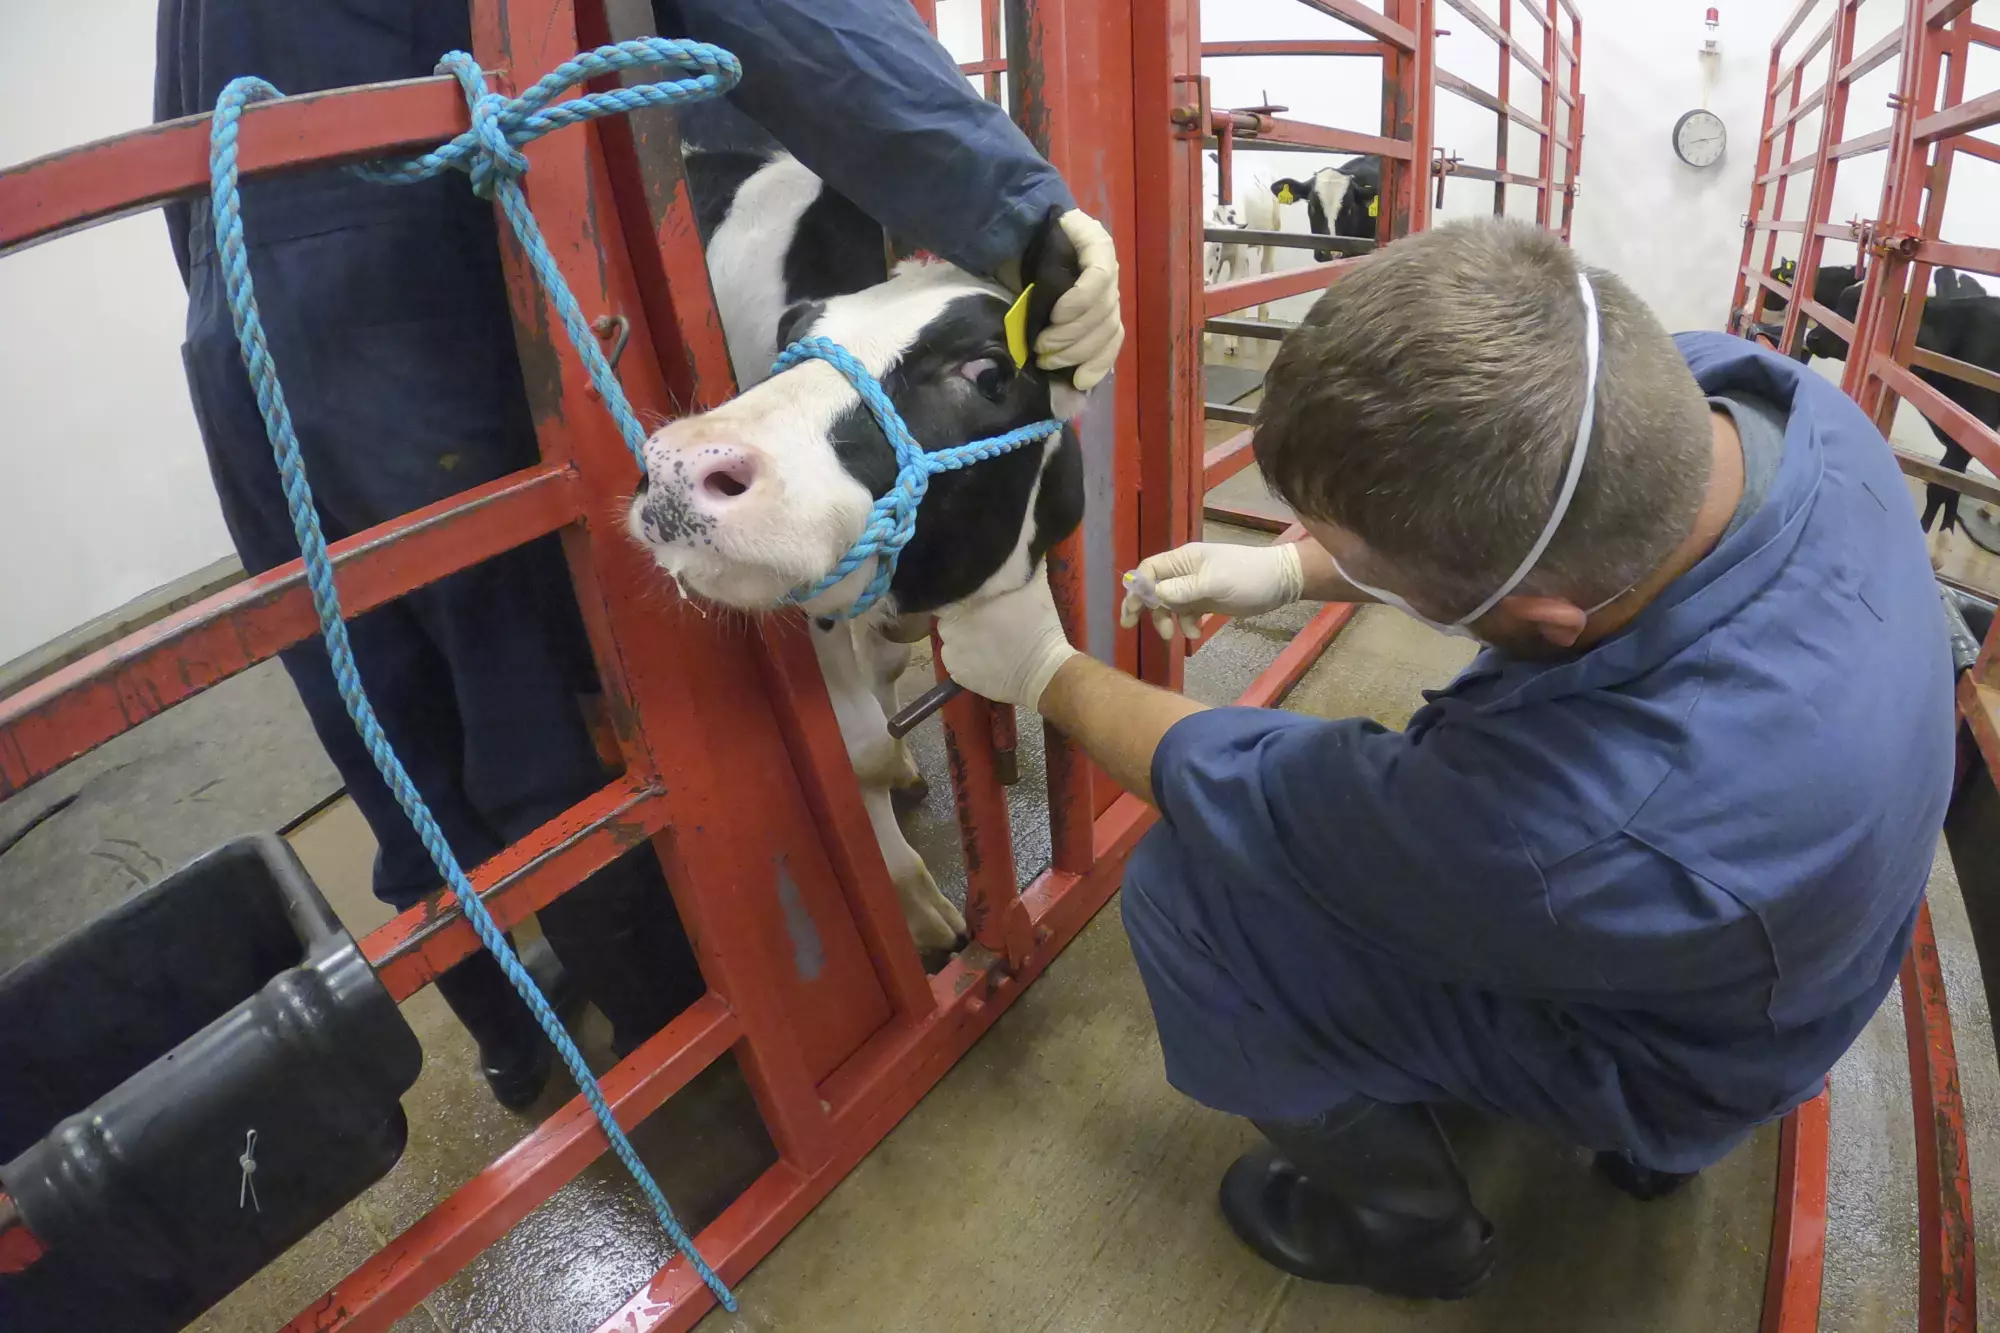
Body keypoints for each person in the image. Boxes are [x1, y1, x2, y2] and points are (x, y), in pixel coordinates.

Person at [935, 217, 1952, 1298]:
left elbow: (1256, 788)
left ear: (1543, 612)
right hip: (1797, 948)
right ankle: (1654, 1152)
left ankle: (1408, 1224)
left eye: (1369, 563)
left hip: (1689, 1042)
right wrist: (1295, 571)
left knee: (1192, 889)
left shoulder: (1590, 821)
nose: (1323, 558)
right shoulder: (1772, 408)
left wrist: (1045, 666)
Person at [155, 0, 1123, 1109]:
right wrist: (1014, 202)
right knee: (532, 706)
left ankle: (511, 1032)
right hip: (426, 302)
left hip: (229, 312)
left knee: (380, 710)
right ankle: (699, 1058)